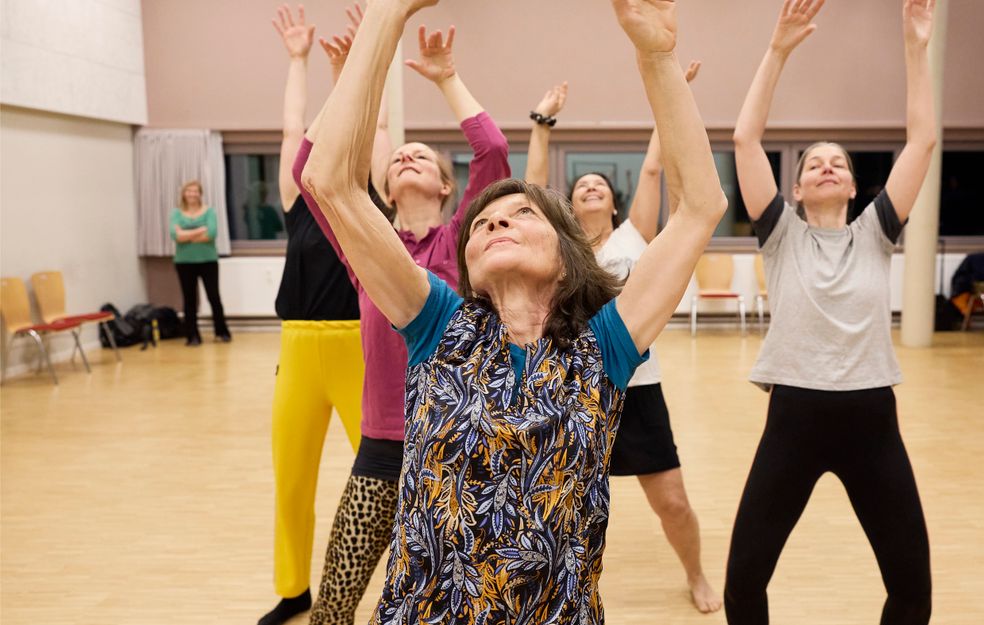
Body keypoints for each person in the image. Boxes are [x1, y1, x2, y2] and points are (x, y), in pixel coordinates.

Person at [296, 0, 728, 622]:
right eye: (485, 221)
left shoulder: (603, 342)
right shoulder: (437, 324)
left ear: (565, 254)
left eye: (523, 213)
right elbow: (329, 179)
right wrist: (385, 17)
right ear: (466, 260)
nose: (497, 217)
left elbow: (699, 209)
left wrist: (657, 58)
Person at [725, 0, 937, 623]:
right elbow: (744, 138)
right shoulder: (781, 236)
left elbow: (922, 139)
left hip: (872, 416)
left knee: (912, 587)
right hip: (794, 414)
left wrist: (916, 48)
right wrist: (779, 50)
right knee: (744, 583)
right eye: (813, 163)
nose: (825, 167)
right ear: (795, 188)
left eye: (837, 163)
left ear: (851, 187)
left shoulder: (876, 232)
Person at [300, 9, 512, 625]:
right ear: (386, 188)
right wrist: (347, 85)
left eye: (423, 156)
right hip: (382, 445)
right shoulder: (364, 248)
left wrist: (446, 78)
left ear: (448, 189)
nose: (408, 157)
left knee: (453, 604)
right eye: (399, 157)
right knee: (334, 604)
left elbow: (493, 150)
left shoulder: (460, 245)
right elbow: (311, 176)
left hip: (458, 444)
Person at [522, 63, 722, 614]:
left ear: (613, 204)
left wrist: (667, 90)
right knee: (554, 505)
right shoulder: (558, 251)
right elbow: (533, 190)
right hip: (571, 391)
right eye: (581, 184)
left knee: (673, 503)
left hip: (638, 389)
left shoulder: (635, 237)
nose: (589, 187)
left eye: (599, 186)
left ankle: (696, 574)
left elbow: (655, 170)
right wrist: (543, 125)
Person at [259, 6, 364, 625]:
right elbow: (292, 127)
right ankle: (293, 588)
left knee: (381, 476)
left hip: (357, 348)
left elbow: (363, 127)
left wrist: (348, 73)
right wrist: (299, 62)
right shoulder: (299, 201)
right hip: (298, 349)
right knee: (291, 480)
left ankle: (412, 574)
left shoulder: (361, 199)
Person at [170, 179, 230, 345]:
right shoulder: (176, 213)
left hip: (208, 260)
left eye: (195, 191)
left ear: (200, 194)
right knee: (189, 299)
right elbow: (176, 236)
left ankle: (222, 332)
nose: (192, 194)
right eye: (189, 191)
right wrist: (199, 230)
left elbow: (210, 233)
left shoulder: (209, 212)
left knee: (214, 297)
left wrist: (186, 234)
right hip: (184, 262)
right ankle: (193, 336)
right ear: (184, 193)